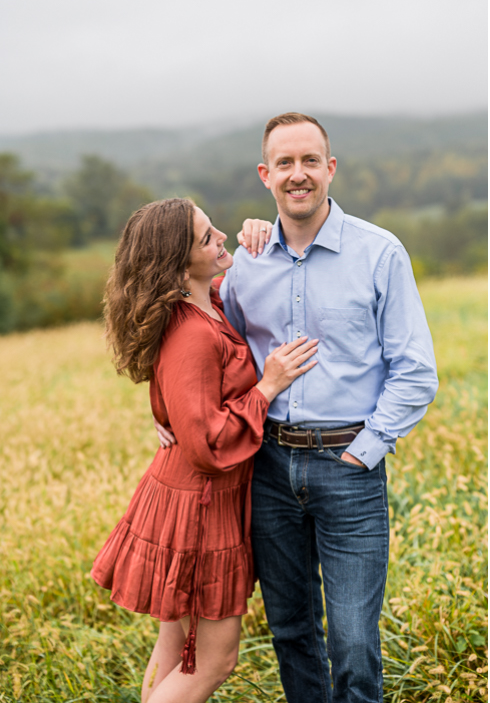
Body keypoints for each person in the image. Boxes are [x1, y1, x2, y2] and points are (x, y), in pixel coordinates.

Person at [167, 112, 438, 703]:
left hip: (350, 467)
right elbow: (212, 354)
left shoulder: (379, 253)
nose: (298, 175)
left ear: (330, 168)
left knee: (353, 642)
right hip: (265, 468)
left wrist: (365, 451)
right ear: (266, 175)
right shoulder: (244, 265)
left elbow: (414, 370)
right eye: (284, 163)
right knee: (291, 631)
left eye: (310, 161)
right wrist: (171, 416)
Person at [92, 198, 319, 702]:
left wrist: (261, 229)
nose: (220, 236)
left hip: (188, 494)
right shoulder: (192, 330)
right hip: (199, 503)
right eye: (205, 237)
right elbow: (206, 442)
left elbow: (180, 399)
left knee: (175, 645)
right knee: (214, 659)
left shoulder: (203, 303)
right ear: (177, 264)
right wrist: (268, 386)